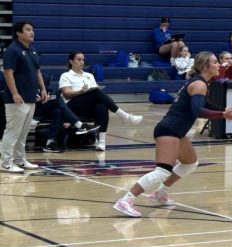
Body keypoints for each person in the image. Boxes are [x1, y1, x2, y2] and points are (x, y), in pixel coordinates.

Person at [113, 52, 232, 216]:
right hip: (169, 130)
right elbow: (197, 111)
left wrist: (222, 111)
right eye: (215, 62)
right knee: (162, 171)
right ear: (205, 67)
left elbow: (204, 104)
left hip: (177, 131)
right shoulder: (199, 85)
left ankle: (160, 194)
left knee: (190, 163)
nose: (219, 65)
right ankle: (126, 200)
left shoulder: (201, 83)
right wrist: (222, 115)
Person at [58, 51, 144, 151]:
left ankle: (101, 142)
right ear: (71, 61)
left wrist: (91, 91)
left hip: (87, 106)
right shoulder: (66, 75)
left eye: (83, 60)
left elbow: (94, 91)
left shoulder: (89, 75)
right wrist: (81, 91)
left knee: (102, 106)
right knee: (96, 93)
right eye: (79, 60)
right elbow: (66, 94)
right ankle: (124, 116)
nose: (82, 62)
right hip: (71, 106)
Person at [2, 21, 50, 173]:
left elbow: (37, 72)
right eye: (28, 30)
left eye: (32, 30)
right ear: (18, 33)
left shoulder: (33, 50)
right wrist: (15, 93)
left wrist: (43, 89)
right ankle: (5, 162)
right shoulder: (12, 50)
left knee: (23, 132)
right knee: (12, 132)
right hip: (16, 99)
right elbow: (8, 73)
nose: (32, 32)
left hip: (30, 98)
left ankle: (19, 159)